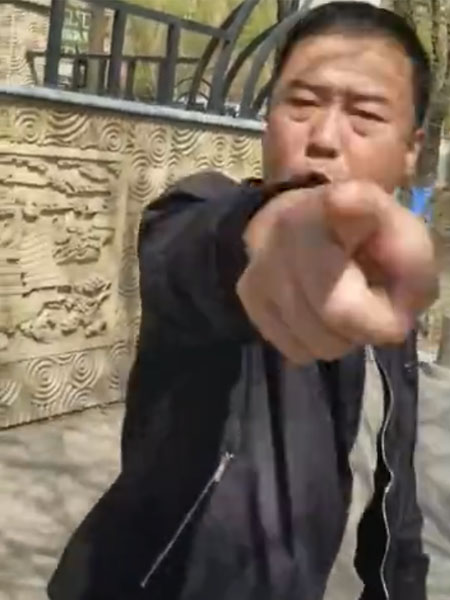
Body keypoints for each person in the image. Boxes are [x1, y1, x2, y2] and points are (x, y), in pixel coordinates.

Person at [48, 3, 438, 599]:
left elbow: (396, 505)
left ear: (412, 150)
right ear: (267, 118)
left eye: (363, 115)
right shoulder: (199, 217)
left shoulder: (392, 309)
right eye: (300, 104)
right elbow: (196, 251)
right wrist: (271, 235)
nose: (323, 139)